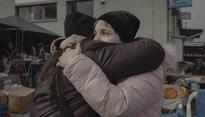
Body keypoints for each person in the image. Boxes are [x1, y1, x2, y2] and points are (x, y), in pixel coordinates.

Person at [31, 11, 167, 117]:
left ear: (125, 44)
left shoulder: (150, 70)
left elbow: (117, 107)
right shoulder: (115, 62)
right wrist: (62, 44)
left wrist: (74, 62)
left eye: (105, 32)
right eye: (94, 33)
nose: (95, 39)